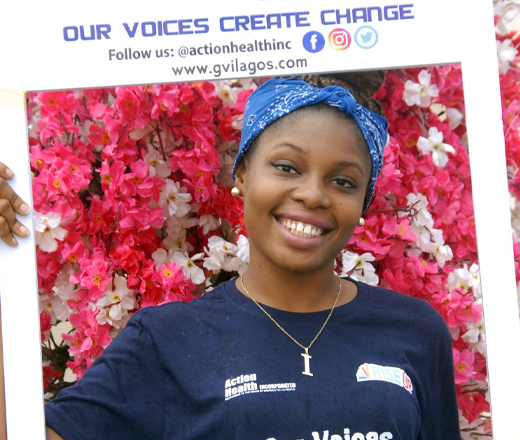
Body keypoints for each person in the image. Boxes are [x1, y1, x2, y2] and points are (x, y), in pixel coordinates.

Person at [9, 73, 462, 439]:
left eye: (343, 182)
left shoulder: (416, 332)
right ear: (242, 174)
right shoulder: (165, 341)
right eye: (287, 167)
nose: (312, 194)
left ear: (363, 203)